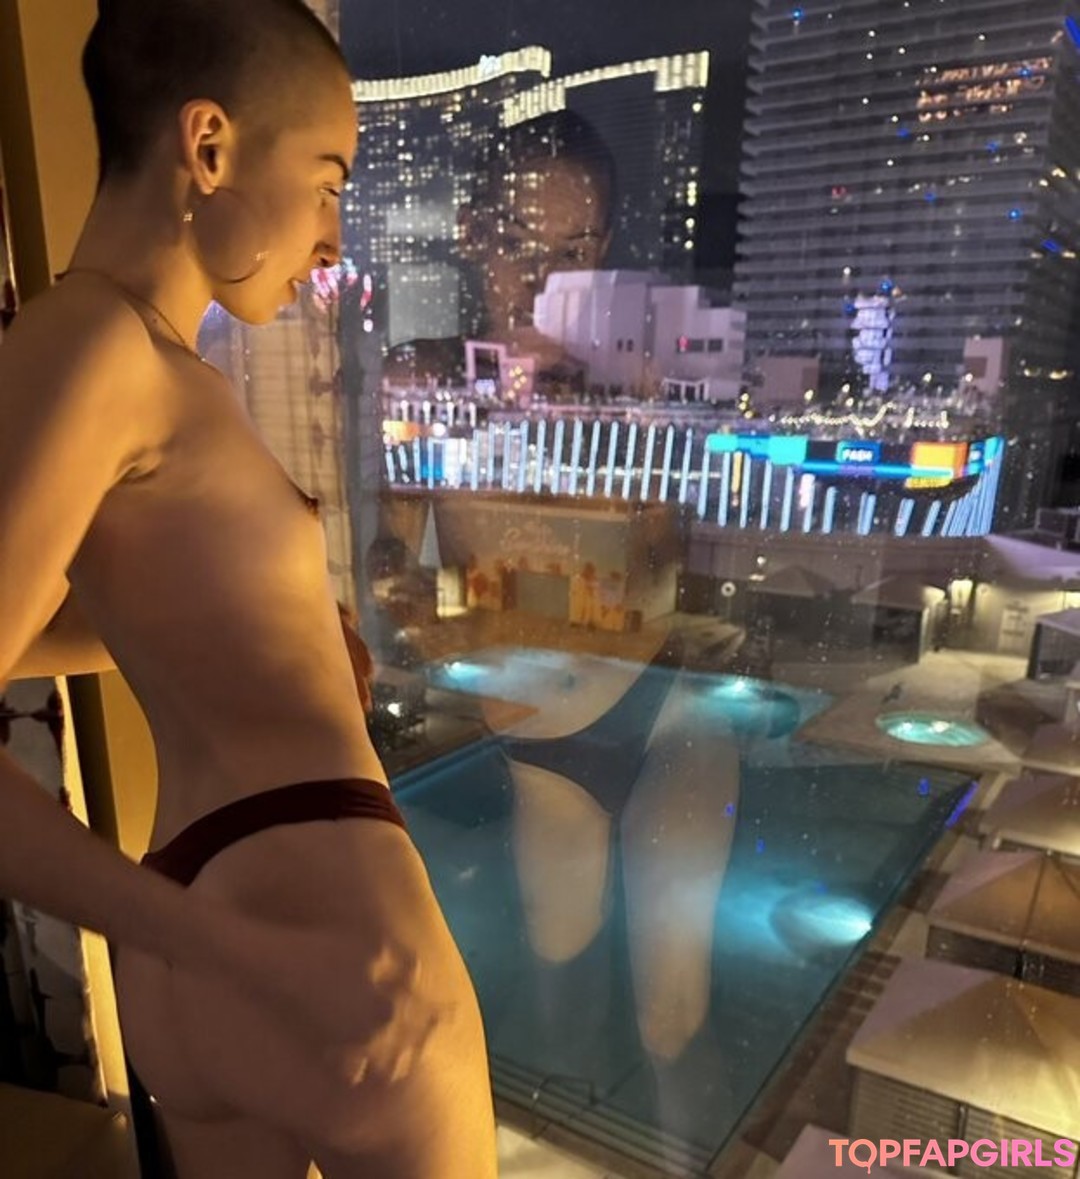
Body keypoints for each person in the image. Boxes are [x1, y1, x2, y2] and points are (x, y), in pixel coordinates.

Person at [0, 2, 497, 1176]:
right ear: (210, 146)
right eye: (325, 182)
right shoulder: (101, 346)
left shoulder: (132, 359)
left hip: (198, 951)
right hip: (314, 944)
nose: (332, 236)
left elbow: (85, 621)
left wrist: (267, 627)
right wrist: (246, 952)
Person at [385, 109, 615, 386]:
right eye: (516, 244)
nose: (543, 282)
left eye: (572, 254)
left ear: (600, 255)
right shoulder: (418, 379)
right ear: (472, 234)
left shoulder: (623, 387)